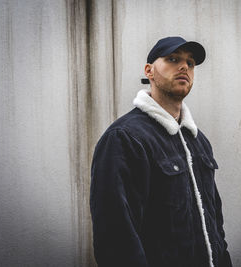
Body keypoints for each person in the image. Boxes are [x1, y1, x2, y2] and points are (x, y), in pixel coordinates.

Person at [90, 36, 233, 267]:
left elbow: (216, 225)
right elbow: (115, 237)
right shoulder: (124, 138)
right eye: (173, 59)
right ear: (150, 71)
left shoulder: (198, 140)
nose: (184, 66)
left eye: (191, 63)